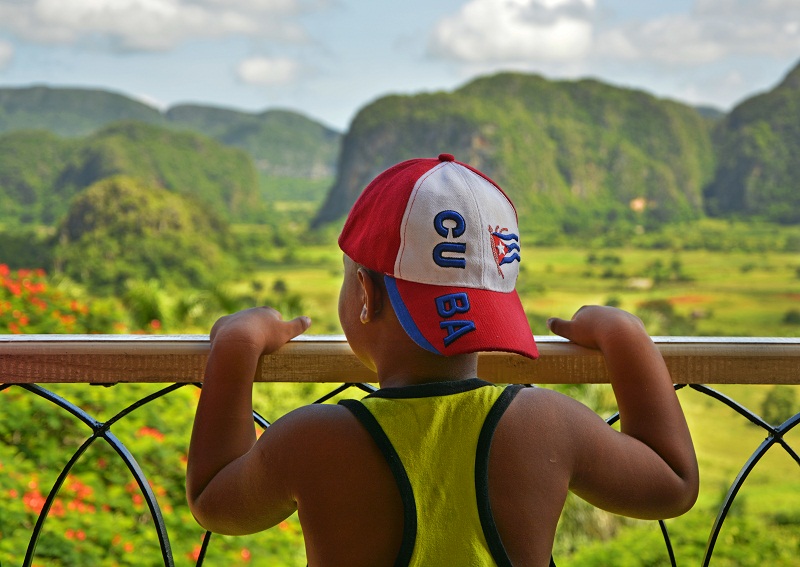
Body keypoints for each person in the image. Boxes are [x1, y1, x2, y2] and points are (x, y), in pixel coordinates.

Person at [186, 153, 699, 567]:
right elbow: (671, 484)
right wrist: (626, 336)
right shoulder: (547, 423)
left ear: (365, 293)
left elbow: (214, 500)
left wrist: (236, 345)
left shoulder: (314, 438)